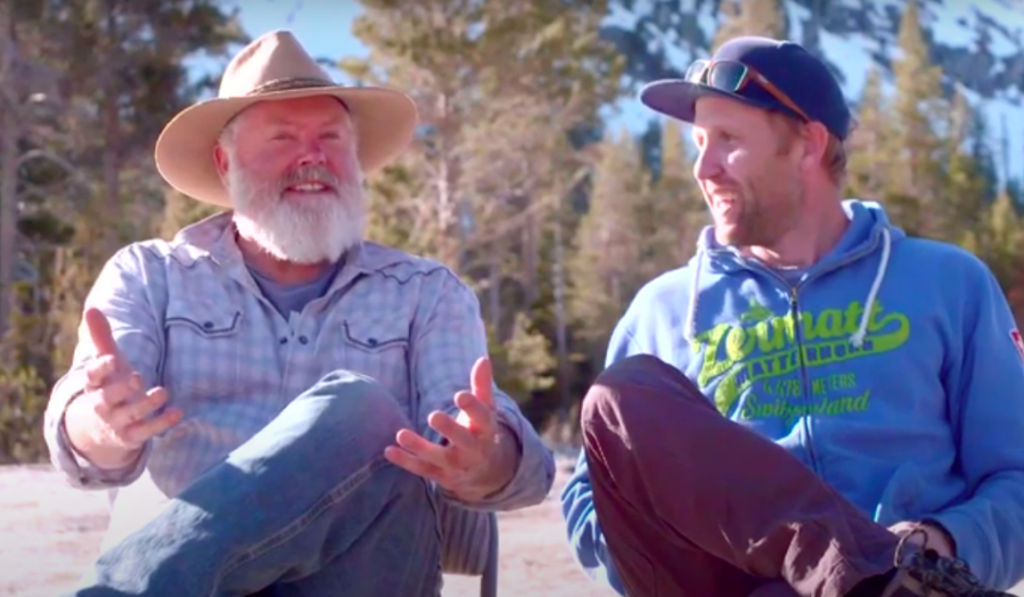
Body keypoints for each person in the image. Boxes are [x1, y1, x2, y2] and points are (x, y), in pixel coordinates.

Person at [44, 30, 555, 597]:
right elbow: (83, 449)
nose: (312, 156)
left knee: (358, 410)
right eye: (283, 137)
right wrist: (103, 421)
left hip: (360, 578)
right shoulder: (150, 277)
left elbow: (523, 471)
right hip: (194, 580)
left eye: (331, 137)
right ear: (224, 161)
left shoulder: (427, 294)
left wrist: (483, 457)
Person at [560, 35, 1024, 597]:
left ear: (808, 144)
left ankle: (887, 577)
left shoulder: (947, 284)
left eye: (728, 140)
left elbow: (1015, 476)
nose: (703, 168)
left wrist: (941, 546)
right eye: (699, 142)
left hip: (921, 581)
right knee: (619, 397)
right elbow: (593, 500)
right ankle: (870, 574)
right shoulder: (661, 311)